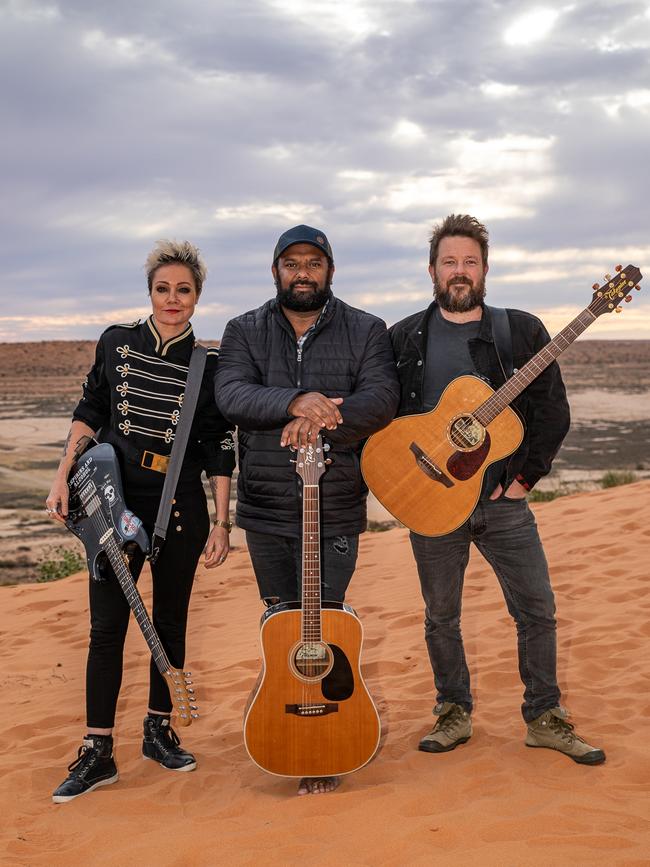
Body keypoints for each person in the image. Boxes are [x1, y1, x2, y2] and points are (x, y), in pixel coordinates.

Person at [389, 214, 605, 764]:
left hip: (501, 503)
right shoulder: (405, 336)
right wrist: (405, 481)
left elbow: (552, 410)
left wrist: (526, 479)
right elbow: (387, 416)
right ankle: (453, 712)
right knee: (441, 616)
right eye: (449, 262)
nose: (459, 272)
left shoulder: (521, 331)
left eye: (469, 262)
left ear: (485, 269)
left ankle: (544, 717)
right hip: (432, 500)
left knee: (537, 610)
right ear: (432, 269)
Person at [46, 240, 236, 803]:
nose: (172, 299)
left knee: (170, 621)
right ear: (149, 292)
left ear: (197, 297)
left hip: (179, 504)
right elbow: (90, 411)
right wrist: (63, 475)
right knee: (106, 627)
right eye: (163, 288)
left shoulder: (210, 365)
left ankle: (158, 728)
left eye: (184, 290)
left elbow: (220, 447)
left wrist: (223, 521)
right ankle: (97, 749)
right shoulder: (116, 343)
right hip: (113, 494)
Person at [215, 224, 399, 794]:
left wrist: (317, 418)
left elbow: (381, 398)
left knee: (329, 617)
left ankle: (326, 741)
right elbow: (232, 394)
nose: (302, 273)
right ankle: (283, 721)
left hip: (337, 501)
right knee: (279, 617)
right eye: (291, 263)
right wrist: (295, 399)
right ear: (275, 271)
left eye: (313, 264)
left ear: (330, 271)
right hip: (267, 508)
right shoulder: (243, 329)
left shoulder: (367, 329)